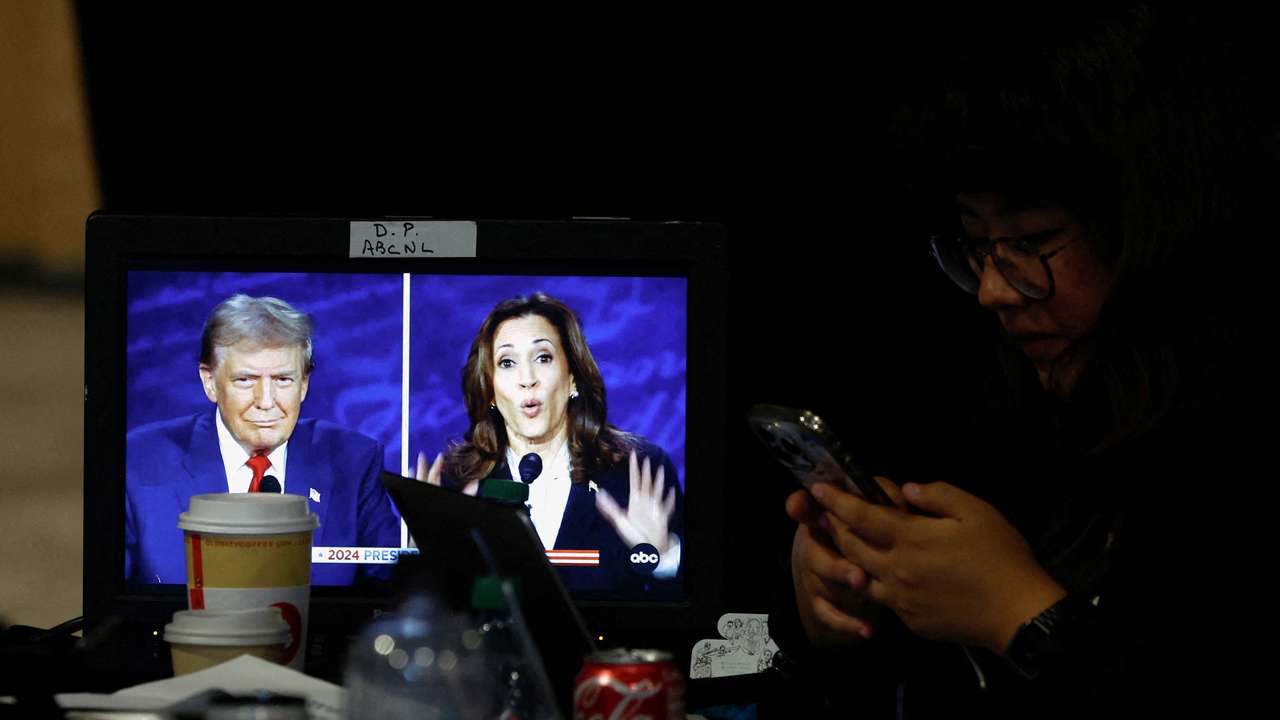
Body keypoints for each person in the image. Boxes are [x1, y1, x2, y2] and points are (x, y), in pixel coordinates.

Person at [767, 4, 1272, 717]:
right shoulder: (1014, 408)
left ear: (1155, 228)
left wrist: (1024, 619)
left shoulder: (1236, 440)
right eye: (977, 245)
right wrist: (841, 605)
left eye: (1033, 240)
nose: (996, 291)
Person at [418, 292, 684, 594]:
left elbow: (684, 607)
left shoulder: (637, 471)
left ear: (572, 376)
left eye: (543, 358)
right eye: (507, 362)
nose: (527, 378)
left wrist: (663, 557)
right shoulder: (457, 482)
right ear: (490, 390)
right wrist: (420, 564)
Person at [125, 294, 401, 586]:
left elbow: (392, 590)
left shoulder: (353, 461)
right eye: (245, 380)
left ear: (304, 384)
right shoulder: (140, 461)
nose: (266, 402)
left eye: (283, 380)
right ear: (210, 382)